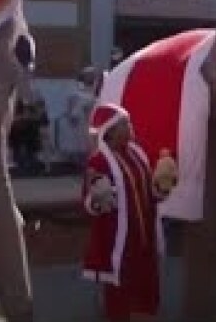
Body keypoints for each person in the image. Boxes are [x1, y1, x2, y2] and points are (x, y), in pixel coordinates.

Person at [81, 102, 165, 322]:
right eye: (124, 124)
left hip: (144, 238)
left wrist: (161, 188)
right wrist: (99, 198)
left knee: (147, 289)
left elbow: (149, 193)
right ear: (110, 131)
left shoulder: (138, 155)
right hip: (119, 241)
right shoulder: (99, 161)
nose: (131, 127)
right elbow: (90, 203)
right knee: (120, 293)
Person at [58, 67, 99, 166]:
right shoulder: (76, 91)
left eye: (93, 76)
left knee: (88, 143)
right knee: (81, 142)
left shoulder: (95, 90)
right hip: (81, 121)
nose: (92, 78)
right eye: (89, 76)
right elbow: (73, 106)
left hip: (91, 121)